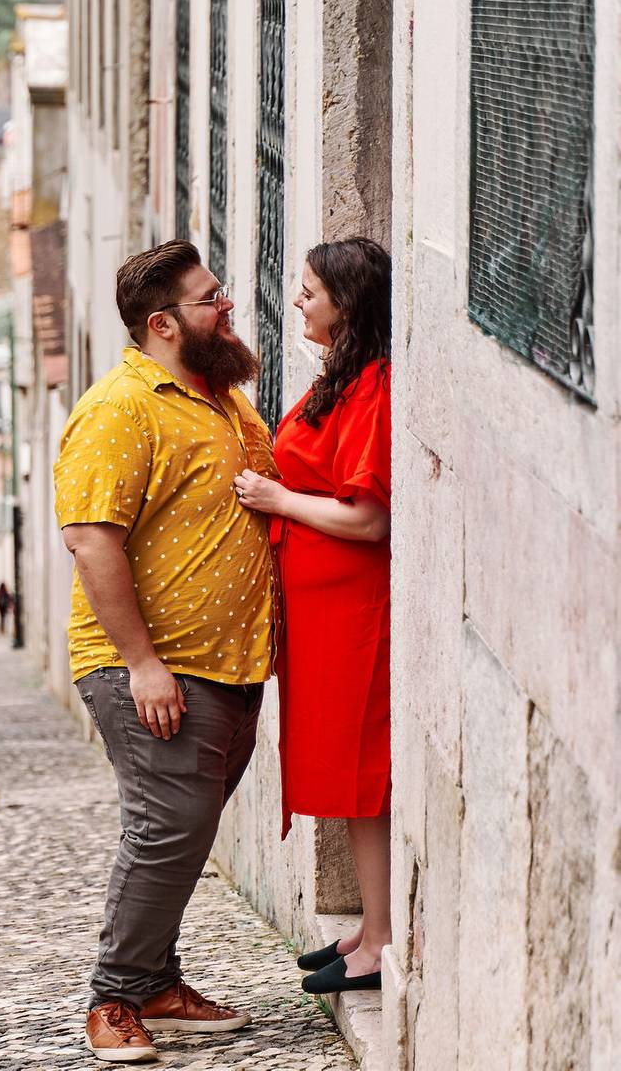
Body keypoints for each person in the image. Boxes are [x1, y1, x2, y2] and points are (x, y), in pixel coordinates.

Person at [53, 239, 277, 1062]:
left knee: (184, 830)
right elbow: (91, 540)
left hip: (229, 665)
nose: (227, 307)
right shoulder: (123, 406)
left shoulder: (224, 401)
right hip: (153, 668)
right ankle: (114, 998)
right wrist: (143, 663)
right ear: (163, 323)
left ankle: (154, 981)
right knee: (167, 828)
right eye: (210, 298)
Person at [233, 237, 392, 998]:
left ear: (346, 303)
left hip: (354, 613)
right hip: (322, 613)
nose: (295, 301)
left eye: (308, 292)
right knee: (346, 772)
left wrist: (276, 502)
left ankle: (383, 938)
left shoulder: (373, 388)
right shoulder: (342, 378)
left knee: (364, 777)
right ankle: (370, 923)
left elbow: (368, 520)